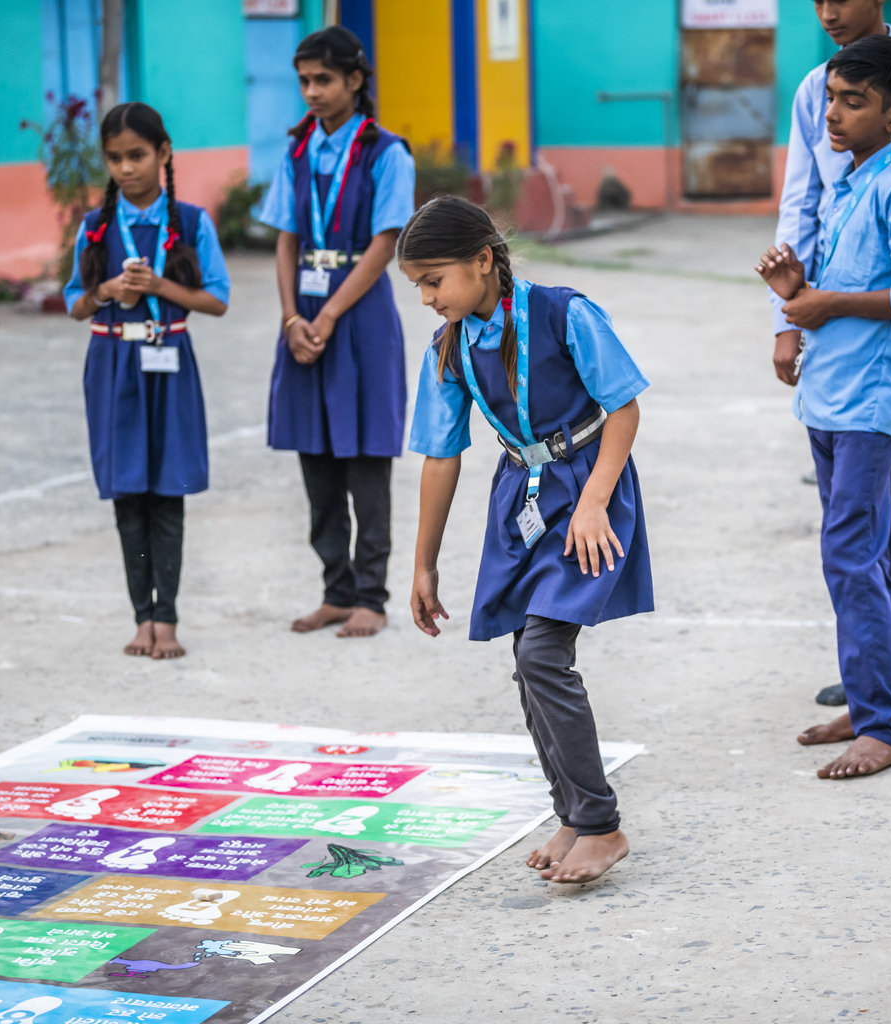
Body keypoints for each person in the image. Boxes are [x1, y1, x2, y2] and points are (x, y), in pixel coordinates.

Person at [400, 197, 652, 883]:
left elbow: (624, 407)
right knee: (528, 659)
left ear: (483, 261)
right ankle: (572, 812)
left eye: (433, 280)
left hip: (587, 488)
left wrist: (596, 502)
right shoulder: (450, 346)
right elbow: (440, 455)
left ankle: (601, 824)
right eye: (417, 285)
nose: (425, 298)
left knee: (543, 652)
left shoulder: (564, 313)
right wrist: (422, 566)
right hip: (522, 498)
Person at [756, 34, 891, 778]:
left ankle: (887, 726)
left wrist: (828, 300)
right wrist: (798, 292)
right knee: (863, 545)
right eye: (832, 98)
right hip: (831, 395)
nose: (833, 114)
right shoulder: (848, 181)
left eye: (854, 102)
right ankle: (875, 697)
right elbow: (839, 289)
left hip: (871, 402)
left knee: (850, 553)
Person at [257, 26, 416, 639]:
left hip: (358, 317)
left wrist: (324, 317)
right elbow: (287, 236)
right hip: (305, 314)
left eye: (322, 79)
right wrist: (291, 317)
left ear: (355, 80)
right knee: (316, 457)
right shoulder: (297, 150)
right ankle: (335, 590)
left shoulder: (385, 152)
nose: (311, 91)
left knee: (365, 459)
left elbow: (383, 244)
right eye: (304, 81)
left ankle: (370, 598)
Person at [64, 102, 231, 660]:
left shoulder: (189, 222)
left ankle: (168, 618)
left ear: (163, 154)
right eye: (114, 158)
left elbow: (217, 300)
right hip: (112, 366)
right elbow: (73, 304)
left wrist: (158, 285)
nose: (126, 168)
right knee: (127, 492)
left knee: (167, 491)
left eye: (137, 155)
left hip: (170, 362)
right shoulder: (95, 227)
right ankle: (141, 616)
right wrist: (109, 292)